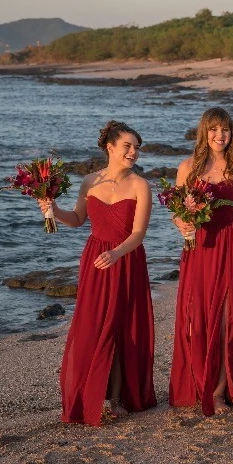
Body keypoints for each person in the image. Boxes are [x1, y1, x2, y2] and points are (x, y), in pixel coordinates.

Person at [39, 120, 157, 425]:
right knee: (93, 326)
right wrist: (52, 210)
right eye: (127, 146)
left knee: (120, 328)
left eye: (137, 148)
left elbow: (139, 233)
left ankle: (116, 400)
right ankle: (90, 394)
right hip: (95, 261)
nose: (133, 152)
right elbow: (78, 218)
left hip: (126, 260)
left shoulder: (141, 185)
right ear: (110, 147)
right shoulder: (89, 181)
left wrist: (116, 253)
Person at [168, 107, 233, 416]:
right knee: (198, 317)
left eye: (225, 129)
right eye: (213, 130)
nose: (220, 135)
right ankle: (199, 383)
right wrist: (181, 224)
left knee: (226, 318)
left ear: (231, 133)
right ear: (204, 133)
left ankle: (219, 391)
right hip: (200, 248)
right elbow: (179, 212)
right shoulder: (188, 168)